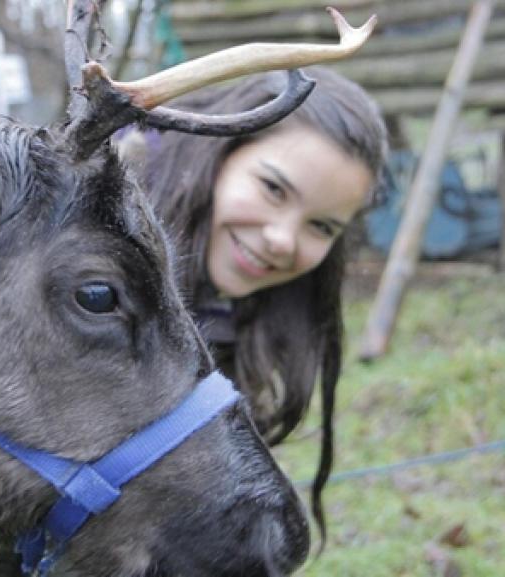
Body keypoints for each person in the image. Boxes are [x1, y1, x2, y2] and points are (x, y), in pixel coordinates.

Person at [121, 65, 388, 535]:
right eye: (274, 189)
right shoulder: (88, 227)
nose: (282, 240)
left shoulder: (240, 304)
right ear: (220, 150)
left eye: (321, 226)